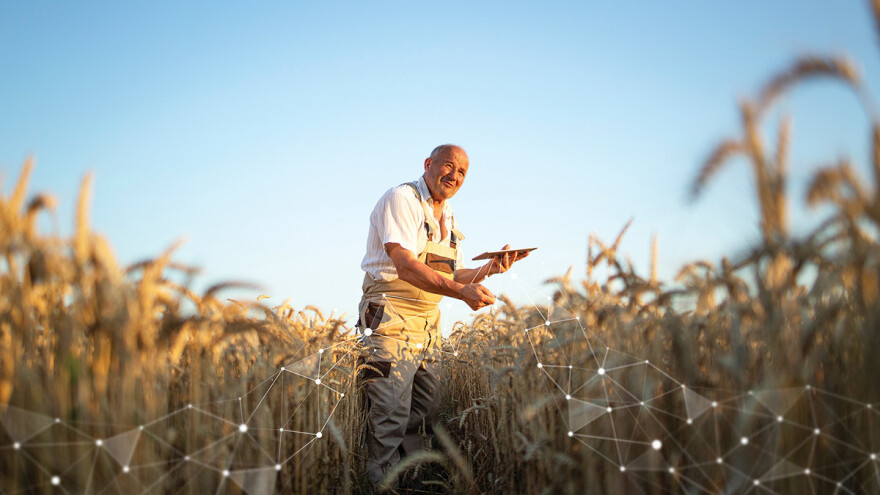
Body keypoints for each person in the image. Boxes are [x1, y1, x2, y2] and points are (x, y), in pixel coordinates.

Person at [357, 144, 528, 486]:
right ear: (428, 164)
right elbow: (406, 266)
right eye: (448, 166)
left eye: (462, 172)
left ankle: (412, 484)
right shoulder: (401, 199)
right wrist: (462, 293)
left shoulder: (448, 216)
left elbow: (455, 274)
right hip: (389, 316)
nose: (454, 176)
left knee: (425, 410)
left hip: (428, 324)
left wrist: (491, 269)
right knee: (389, 412)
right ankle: (380, 485)